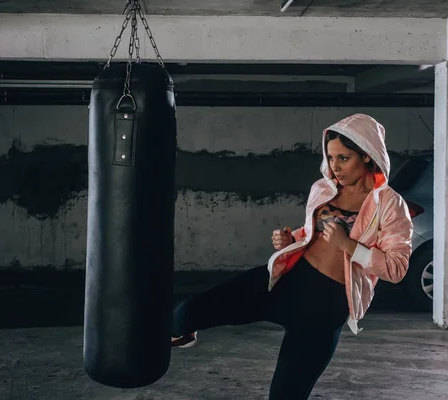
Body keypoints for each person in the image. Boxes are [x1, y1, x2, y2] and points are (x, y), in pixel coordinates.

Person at [171, 113, 413, 399]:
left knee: (286, 394)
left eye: (344, 158)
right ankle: (183, 334)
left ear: (368, 157)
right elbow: (311, 233)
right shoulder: (323, 188)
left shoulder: (389, 203)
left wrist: (347, 245)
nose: (335, 167)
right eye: (331, 157)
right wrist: (290, 240)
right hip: (288, 281)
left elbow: (396, 268)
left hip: (326, 306)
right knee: (185, 314)